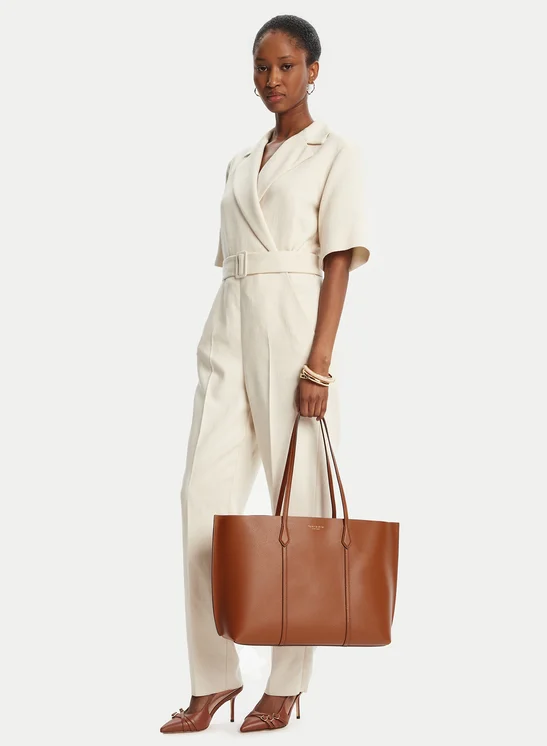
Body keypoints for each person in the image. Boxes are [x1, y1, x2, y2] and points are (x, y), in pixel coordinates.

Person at [160, 13, 371, 734]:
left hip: (293, 322)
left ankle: (287, 683)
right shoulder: (240, 161)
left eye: (286, 66)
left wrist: (320, 363)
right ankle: (213, 676)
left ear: (313, 70)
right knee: (200, 502)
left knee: (297, 511)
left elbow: (338, 259)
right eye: (261, 66)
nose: (272, 79)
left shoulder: (335, 153)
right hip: (229, 321)